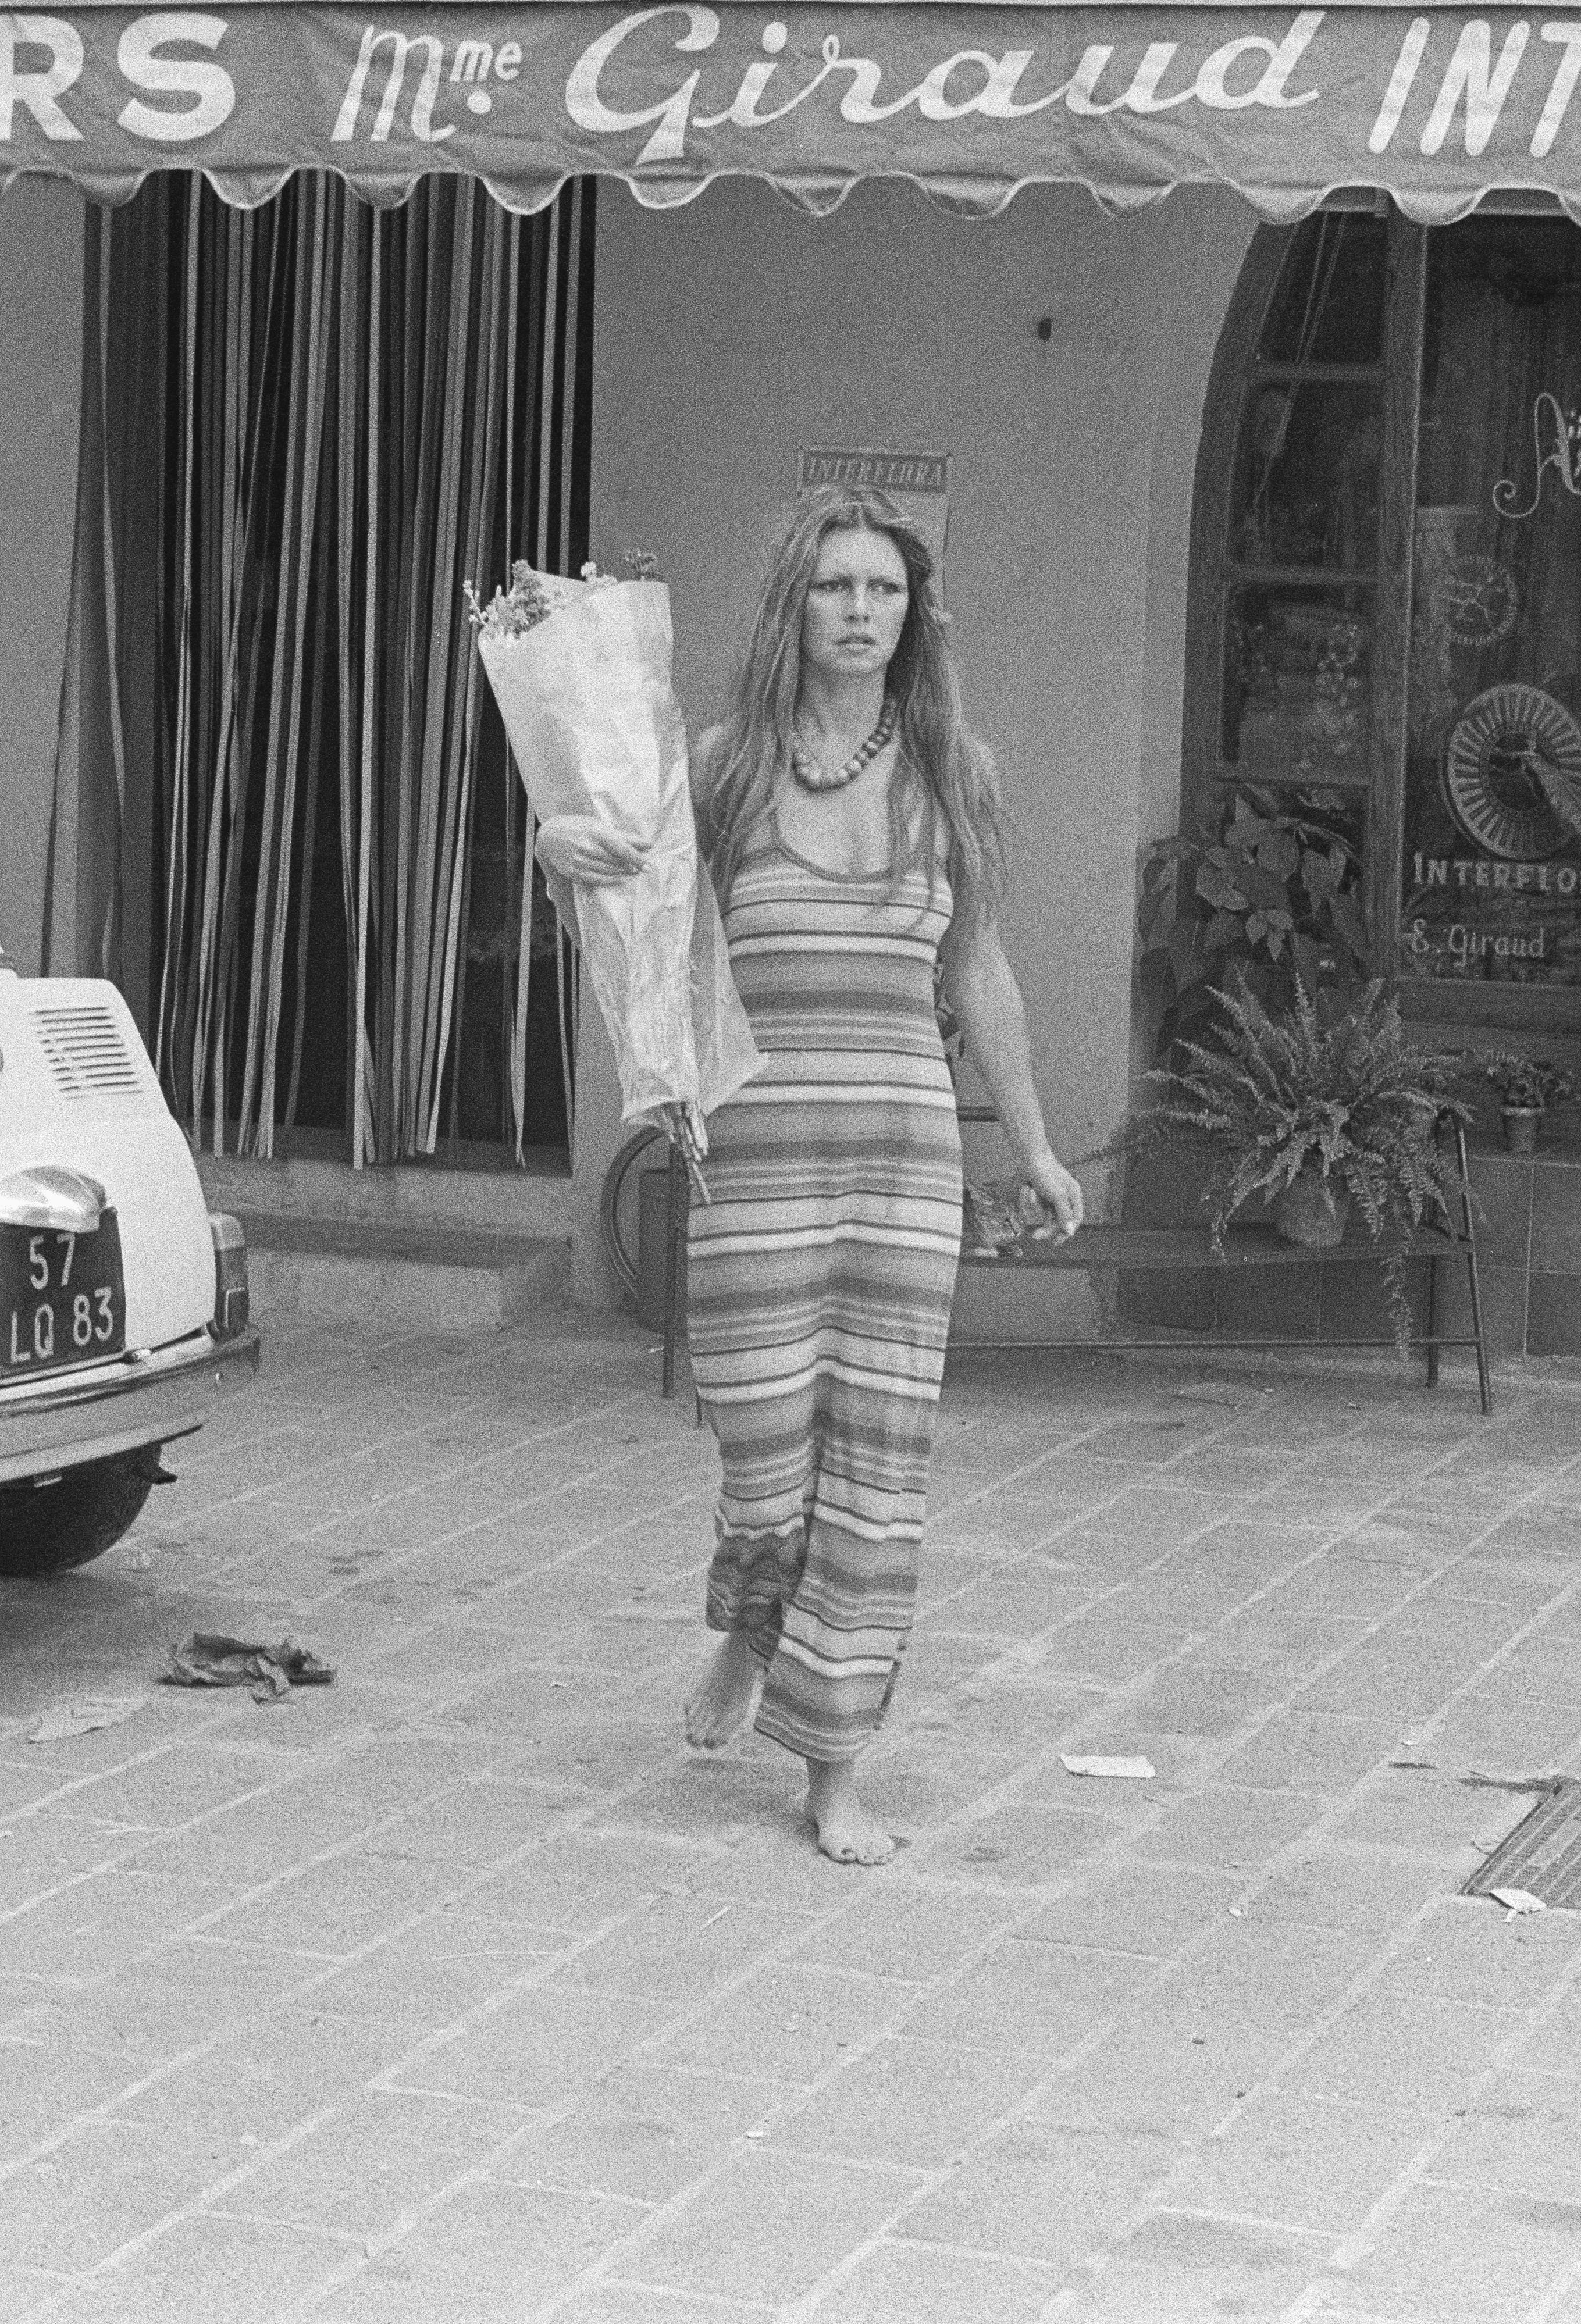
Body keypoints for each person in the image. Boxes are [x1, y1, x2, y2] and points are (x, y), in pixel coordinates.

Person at [535, 486, 1082, 1864]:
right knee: (765, 1448)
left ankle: (834, 1767)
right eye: (836, 587)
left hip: (901, 1158)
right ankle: (748, 1621)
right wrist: (558, 858)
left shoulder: (960, 771)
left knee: (879, 1475)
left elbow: (979, 971)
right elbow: (636, 927)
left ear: (914, 614)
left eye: (884, 591)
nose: (860, 612)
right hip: (753, 1154)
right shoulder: (721, 768)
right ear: (797, 604)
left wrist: (1031, 1142)